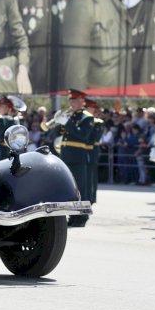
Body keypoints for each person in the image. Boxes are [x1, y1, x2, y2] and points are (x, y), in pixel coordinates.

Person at [44, 89, 95, 226]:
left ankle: (82, 218)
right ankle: (72, 217)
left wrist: (67, 123)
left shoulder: (87, 117)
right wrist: (58, 122)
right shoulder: (71, 116)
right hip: (66, 155)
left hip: (78, 156)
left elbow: (83, 135)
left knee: (81, 189)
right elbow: (59, 133)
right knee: (70, 189)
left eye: (74, 100)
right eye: (70, 100)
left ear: (81, 102)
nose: (71, 103)